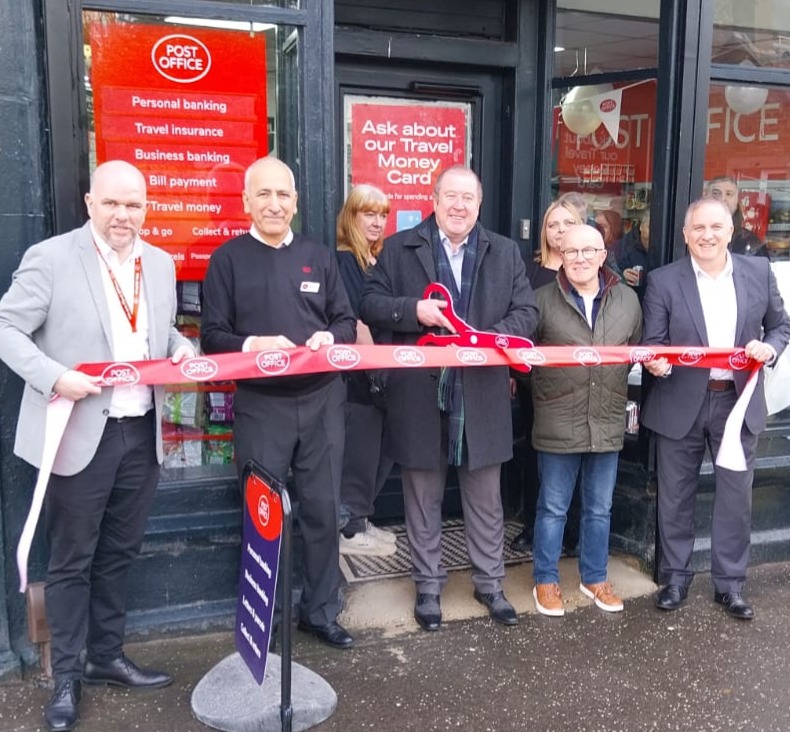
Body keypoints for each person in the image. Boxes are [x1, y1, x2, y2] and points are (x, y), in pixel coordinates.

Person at [0, 160, 195, 731]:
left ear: (146, 207)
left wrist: (181, 347)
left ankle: (106, 656)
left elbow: (160, 332)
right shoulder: (53, 258)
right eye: (112, 203)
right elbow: (6, 327)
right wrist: (55, 376)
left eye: (134, 205)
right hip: (78, 432)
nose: (123, 215)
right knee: (72, 560)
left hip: (140, 431)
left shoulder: (158, 263)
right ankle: (66, 676)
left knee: (119, 552)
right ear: (90, 203)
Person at [360, 165, 538, 631]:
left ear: (479, 204)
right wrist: (412, 310)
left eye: (468, 198)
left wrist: (488, 340)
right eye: (450, 197)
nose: (459, 206)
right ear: (434, 199)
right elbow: (370, 302)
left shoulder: (504, 252)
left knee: (486, 498)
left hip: (482, 394)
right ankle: (427, 587)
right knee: (422, 496)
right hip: (419, 394)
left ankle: (491, 585)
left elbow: (527, 312)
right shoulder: (400, 248)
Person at [200, 156, 357, 650]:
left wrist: (329, 337)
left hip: (321, 402)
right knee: (262, 513)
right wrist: (252, 345)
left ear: (296, 202)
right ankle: (258, 619)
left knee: (323, 512)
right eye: (263, 195)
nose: (274, 204)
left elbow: (347, 322)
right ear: (246, 202)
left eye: (283, 195)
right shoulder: (227, 259)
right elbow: (211, 336)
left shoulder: (320, 256)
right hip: (261, 406)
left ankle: (320, 612)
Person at [642, 197, 790, 620]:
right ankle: (675, 578)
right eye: (698, 229)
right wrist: (656, 362)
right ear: (685, 236)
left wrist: (770, 349)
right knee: (675, 497)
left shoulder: (759, 272)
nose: (706, 235)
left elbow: (781, 325)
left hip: (737, 401)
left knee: (735, 498)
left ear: (730, 231)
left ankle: (730, 585)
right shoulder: (664, 281)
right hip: (679, 399)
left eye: (715, 227)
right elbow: (654, 343)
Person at [530, 224, 642, 617]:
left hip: (607, 419)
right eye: (572, 251)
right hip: (558, 420)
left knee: (600, 508)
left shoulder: (627, 300)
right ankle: (545, 580)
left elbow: (635, 351)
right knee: (553, 508)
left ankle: (594, 577)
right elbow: (523, 359)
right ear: (560, 255)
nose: (579, 258)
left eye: (588, 251)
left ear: (602, 254)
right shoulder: (542, 299)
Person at [511, 199, 582, 555]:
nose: (560, 231)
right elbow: (517, 322)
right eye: (552, 225)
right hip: (534, 381)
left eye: (568, 223)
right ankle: (532, 525)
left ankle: (571, 529)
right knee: (533, 452)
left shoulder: (589, 268)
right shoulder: (528, 270)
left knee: (575, 457)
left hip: (578, 382)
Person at [335, 184, 396, 557]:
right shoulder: (344, 262)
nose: (377, 222)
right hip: (360, 379)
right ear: (351, 217)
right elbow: (355, 322)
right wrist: (376, 372)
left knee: (378, 453)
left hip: (382, 376)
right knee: (360, 455)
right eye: (368, 214)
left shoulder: (373, 260)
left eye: (382, 215)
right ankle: (350, 531)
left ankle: (360, 518)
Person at [707, 175, 769, 257]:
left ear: (737, 201)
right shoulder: (693, 234)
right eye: (715, 193)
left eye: (729, 194)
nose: (722, 198)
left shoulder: (752, 244)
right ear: (706, 197)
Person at [617, 209, 651, 293]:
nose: (653, 233)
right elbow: (610, 271)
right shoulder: (624, 245)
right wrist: (622, 276)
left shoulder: (666, 245)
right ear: (641, 226)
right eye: (649, 227)